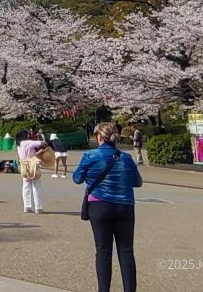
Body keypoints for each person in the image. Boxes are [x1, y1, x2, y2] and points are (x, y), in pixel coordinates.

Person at [73, 122, 143, 292]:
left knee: (103, 250)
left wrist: (90, 176)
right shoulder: (126, 158)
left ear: (99, 137)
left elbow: (77, 178)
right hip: (125, 205)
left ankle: (103, 289)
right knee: (126, 250)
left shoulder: (90, 156)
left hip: (99, 205)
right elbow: (137, 182)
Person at [16, 129, 47, 213]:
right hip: (33, 165)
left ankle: (27, 206)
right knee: (36, 186)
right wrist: (41, 139)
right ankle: (38, 207)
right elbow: (41, 143)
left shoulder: (18, 145)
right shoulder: (28, 142)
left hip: (24, 165)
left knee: (26, 186)